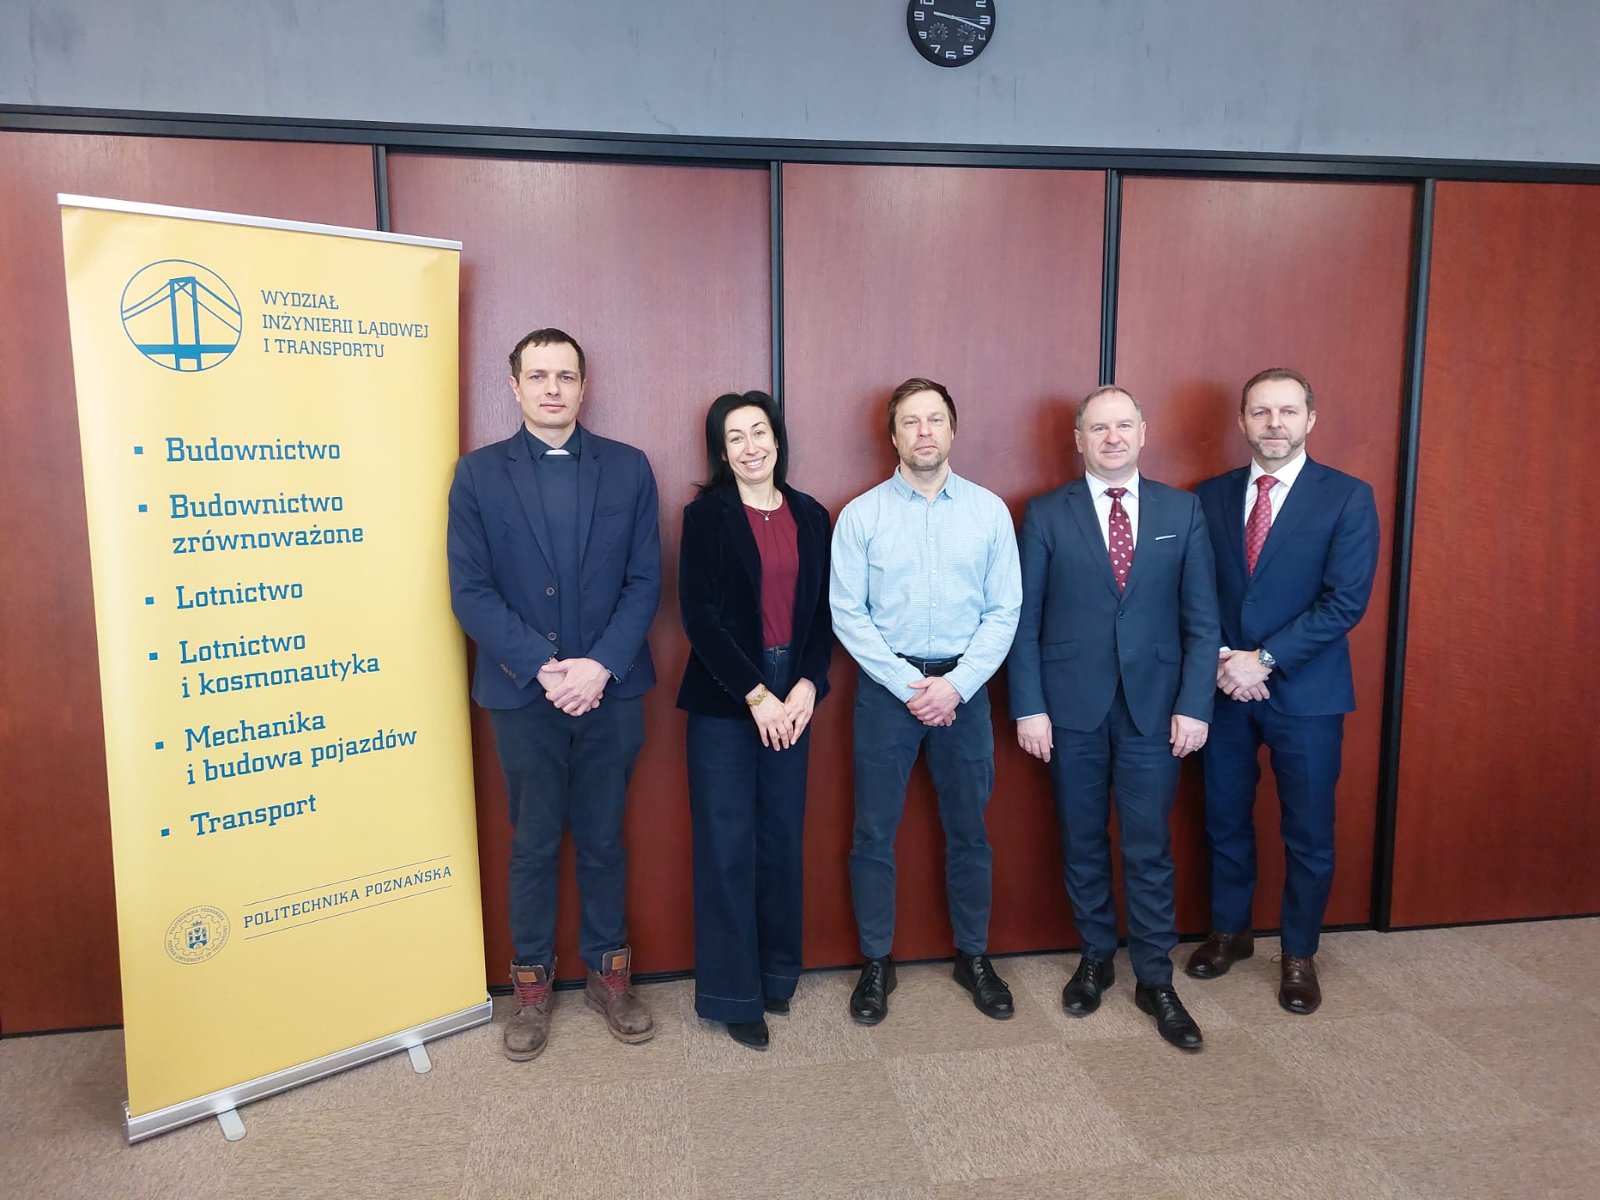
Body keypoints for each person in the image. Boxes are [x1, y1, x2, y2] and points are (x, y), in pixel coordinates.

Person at [446, 327, 661, 1061]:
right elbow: (470, 591)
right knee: (532, 843)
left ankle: (610, 977)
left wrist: (599, 666)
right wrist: (542, 667)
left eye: (565, 376)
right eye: (537, 376)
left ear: (583, 386)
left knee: (604, 838)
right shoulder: (477, 475)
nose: (552, 389)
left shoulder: (629, 468)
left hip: (612, 691)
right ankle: (531, 990)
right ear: (514, 386)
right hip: (521, 694)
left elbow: (645, 581)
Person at [1009, 386, 1220, 1051]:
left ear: (1143, 433)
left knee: (1148, 846)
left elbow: (1202, 621)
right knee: (1081, 840)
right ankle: (1096, 956)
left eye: (1123, 425)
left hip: (1155, 710)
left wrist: (1195, 704)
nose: (1112, 438)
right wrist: (1029, 705)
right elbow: (1024, 621)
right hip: (1069, 709)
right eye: (1098, 428)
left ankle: (1155, 978)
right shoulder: (1046, 513)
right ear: (1079, 440)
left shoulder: (1182, 511)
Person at [1186, 368, 1380, 1015]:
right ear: (1242, 421)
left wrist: (1263, 660)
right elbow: (1195, 590)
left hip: (1307, 694)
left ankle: (1299, 952)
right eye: (1261, 412)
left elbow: (1345, 602)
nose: (1274, 424)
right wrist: (1224, 659)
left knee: (1309, 831)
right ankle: (1230, 932)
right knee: (1223, 820)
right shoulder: (1208, 496)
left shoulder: (1347, 497)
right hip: (1222, 689)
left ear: (1309, 420)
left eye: (1288, 411)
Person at [829, 377, 1021, 1025]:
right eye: (910, 422)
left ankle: (974, 956)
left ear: (952, 429)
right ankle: (876, 961)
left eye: (935, 419)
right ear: (893, 436)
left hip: (965, 691)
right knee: (872, 833)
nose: (924, 432)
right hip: (888, 692)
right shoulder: (862, 516)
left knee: (970, 831)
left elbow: (1004, 610)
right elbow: (847, 613)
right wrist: (907, 683)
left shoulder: (988, 512)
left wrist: (956, 685)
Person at [677, 391, 833, 1051]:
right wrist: (756, 694)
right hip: (727, 698)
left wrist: (808, 686)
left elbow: (823, 615)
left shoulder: (811, 514)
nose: (750, 446)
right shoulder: (705, 517)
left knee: (781, 838)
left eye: (759, 432)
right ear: (721, 450)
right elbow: (699, 617)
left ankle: (776, 975)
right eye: (735, 436)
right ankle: (733, 994)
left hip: (793, 695)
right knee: (726, 845)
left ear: (777, 440)